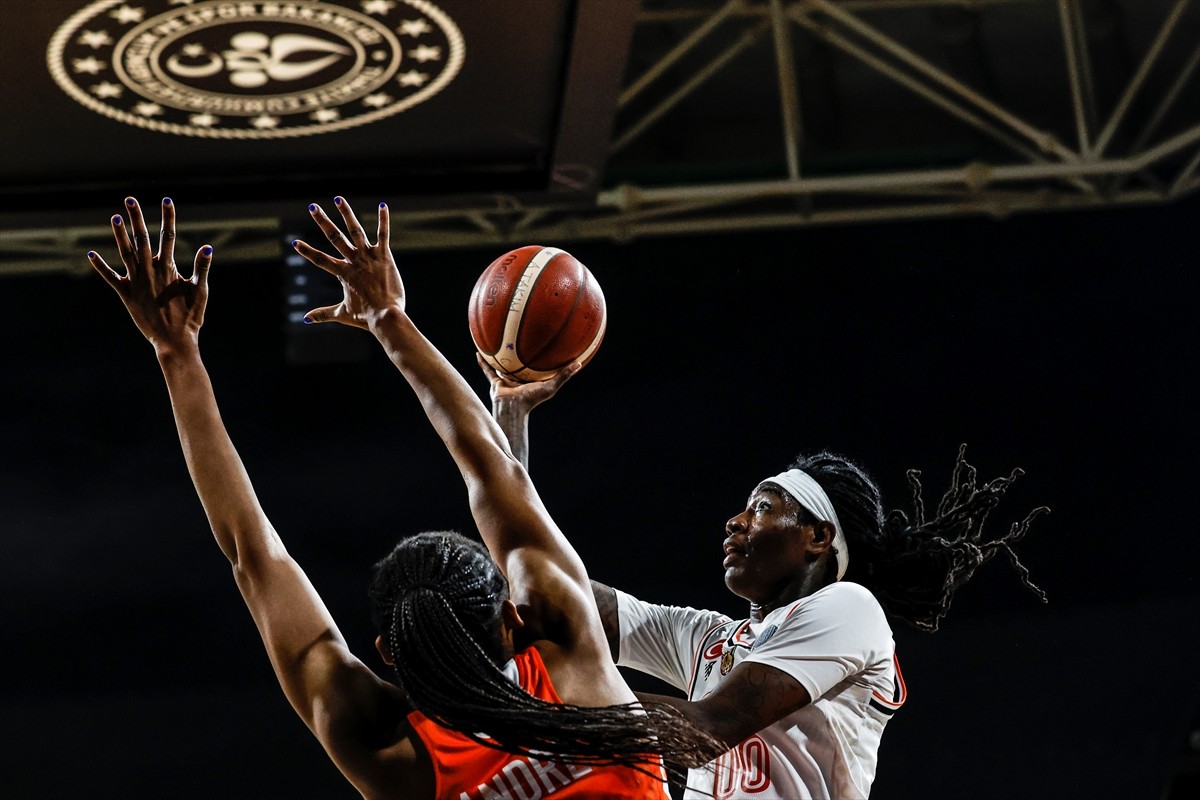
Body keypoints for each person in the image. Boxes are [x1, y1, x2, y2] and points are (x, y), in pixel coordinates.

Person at [88, 196, 722, 800]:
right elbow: (495, 473)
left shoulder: (392, 759)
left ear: (389, 653)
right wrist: (388, 318)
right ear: (514, 617)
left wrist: (176, 353)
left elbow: (254, 558)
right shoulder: (567, 650)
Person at [480, 351, 1049, 799]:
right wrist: (509, 422)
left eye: (763, 507)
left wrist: (530, 716)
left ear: (818, 537)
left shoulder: (850, 609)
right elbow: (547, 584)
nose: (735, 521)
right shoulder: (706, 638)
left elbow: (709, 725)